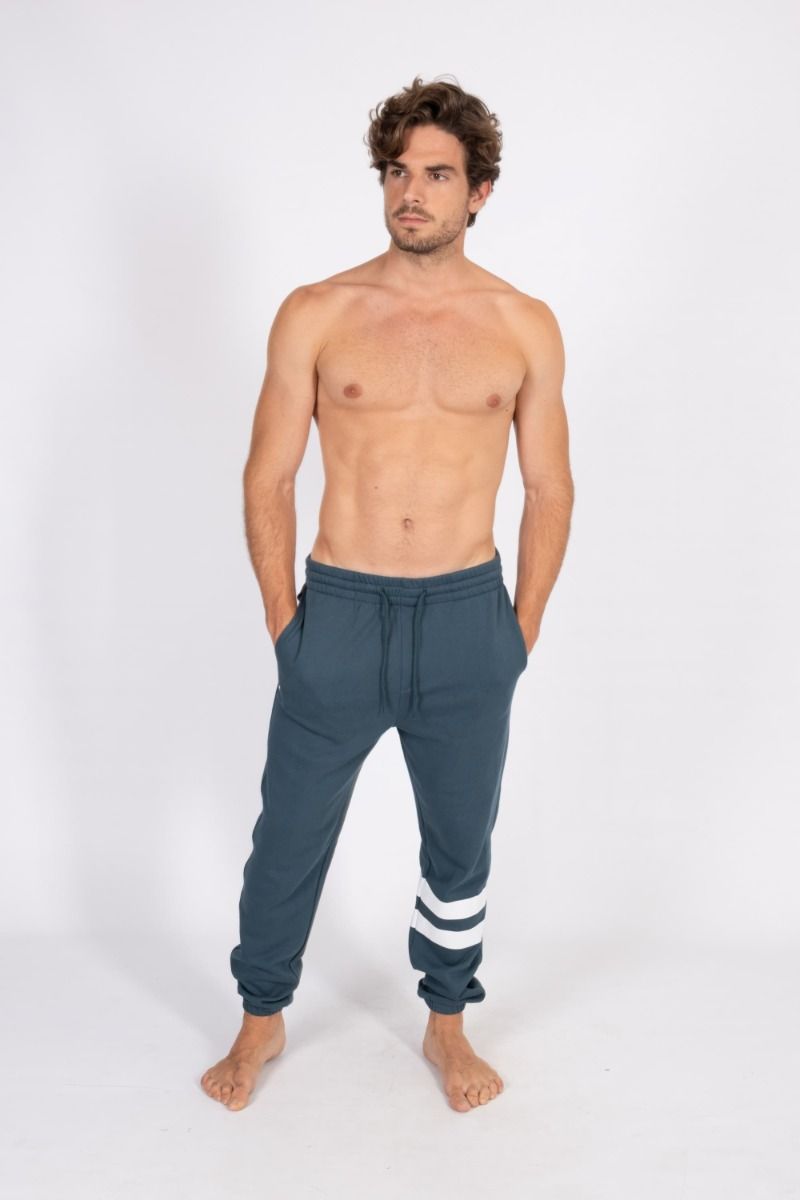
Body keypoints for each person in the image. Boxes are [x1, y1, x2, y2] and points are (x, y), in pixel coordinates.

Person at [201, 75, 574, 1114]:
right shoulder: (318, 313)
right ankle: (261, 1015)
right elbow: (267, 476)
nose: (411, 192)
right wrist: (287, 625)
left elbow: (549, 488)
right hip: (339, 613)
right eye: (398, 172)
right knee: (287, 836)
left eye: (437, 175)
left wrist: (517, 633)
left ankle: (447, 1022)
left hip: (465, 617)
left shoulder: (524, 326)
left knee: (459, 842)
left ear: (479, 191)